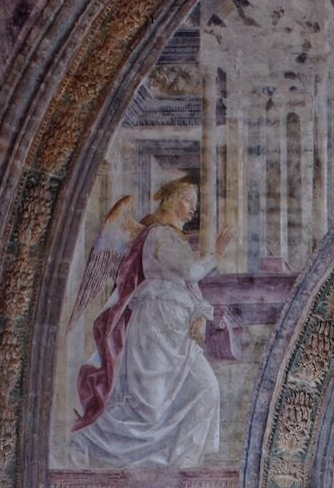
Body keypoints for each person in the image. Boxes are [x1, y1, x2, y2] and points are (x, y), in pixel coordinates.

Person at [73, 179, 226, 470]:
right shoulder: (157, 236)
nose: (193, 208)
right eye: (187, 200)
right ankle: (90, 439)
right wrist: (215, 256)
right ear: (170, 200)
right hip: (153, 327)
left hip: (179, 332)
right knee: (150, 410)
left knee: (208, 389)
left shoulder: (176, 240)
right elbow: (191, 272)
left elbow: (190, 289)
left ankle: (185, 461)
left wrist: (201, 315)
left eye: (194, 202)